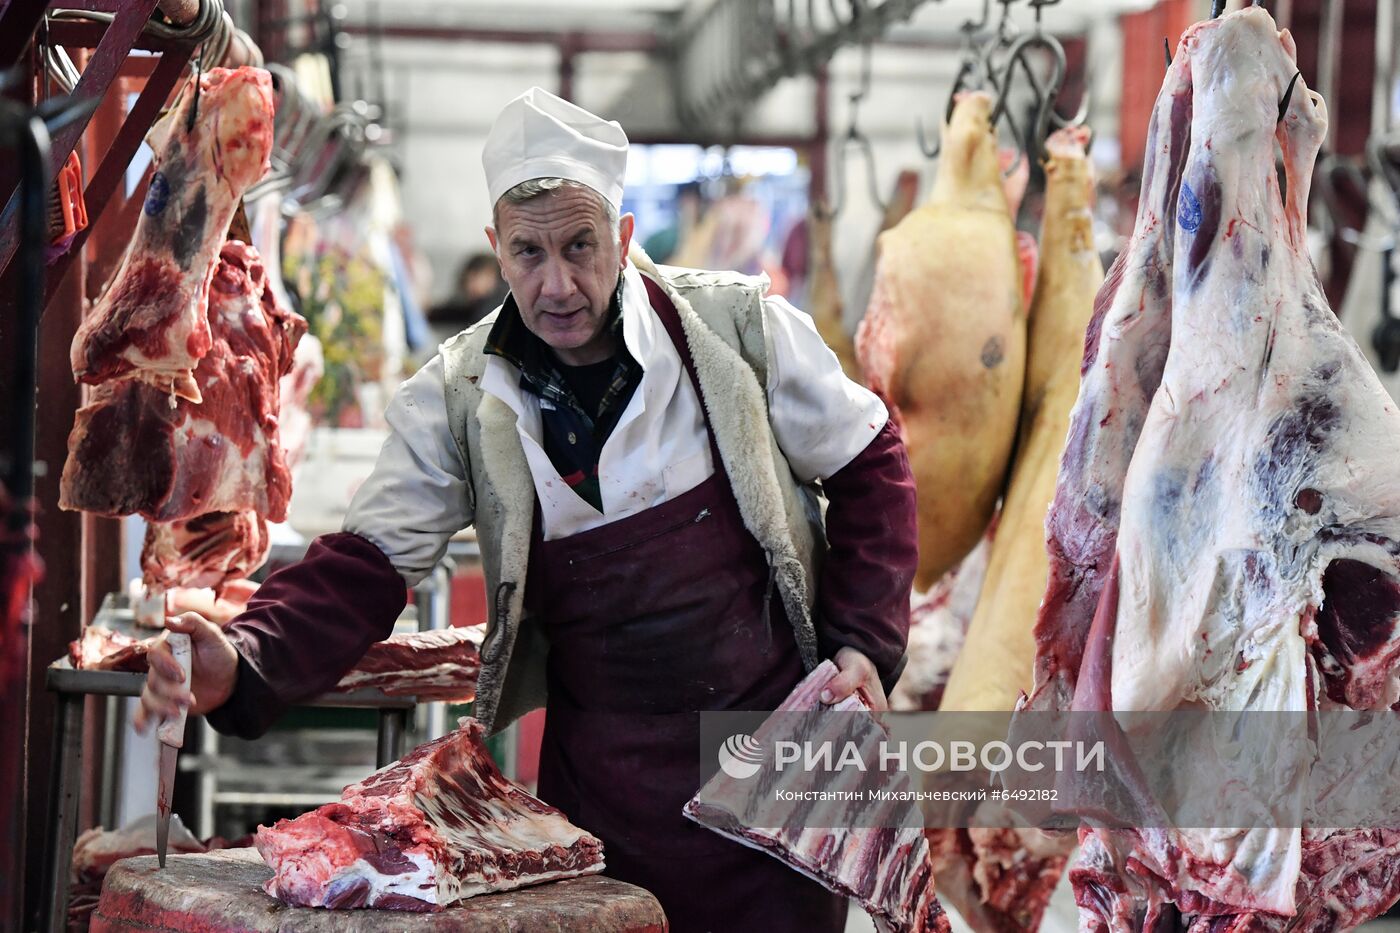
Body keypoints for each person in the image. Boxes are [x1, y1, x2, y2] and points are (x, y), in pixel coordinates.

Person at [136, 87, 918, 932]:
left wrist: (863, 640)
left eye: (581, 246)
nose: (558, 284)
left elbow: (873, 460)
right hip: (604, 799)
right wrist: (246, 657)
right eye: (529, 253)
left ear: (622, 236)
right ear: (495, 251)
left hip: (775, 781)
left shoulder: (738, 331)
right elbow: (366, 563)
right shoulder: (460, 393)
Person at [426, 251, 509, 343]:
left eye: (476, 277)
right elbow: (455, 311)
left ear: (492, 276)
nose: (470, 285)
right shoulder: (479, 305)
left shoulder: (494, 306)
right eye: (468, 279)